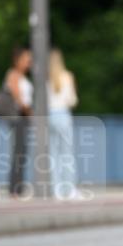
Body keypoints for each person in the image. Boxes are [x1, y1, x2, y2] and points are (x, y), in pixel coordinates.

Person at [47, 49, 80, 199]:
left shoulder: (46, 79)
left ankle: (57, 191)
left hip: (49, 116)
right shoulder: (68, 76)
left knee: (53, 154)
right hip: (63, 115)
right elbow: (72, 100)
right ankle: (70, 189)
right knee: (67, 154)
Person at [4, 47, 33, 197]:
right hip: (19, 117)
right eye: (27, 59)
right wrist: (31, 113)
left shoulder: (23, 77)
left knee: (21, 152)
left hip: (23, 118)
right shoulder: (13, 75)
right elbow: (19, 99)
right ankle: (15, 188)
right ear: (17, 60)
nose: (29, 63)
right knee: (19, 152)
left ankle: (17, 186)